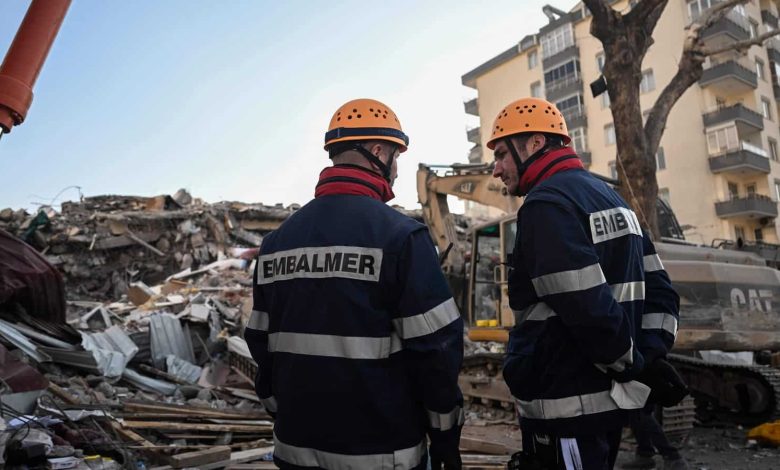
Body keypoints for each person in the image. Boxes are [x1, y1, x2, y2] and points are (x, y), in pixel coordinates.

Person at [244, 98, 464, 470]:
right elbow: (436, 352)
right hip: (381, 455)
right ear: (378, 151)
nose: (395, 171)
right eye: (396, 157)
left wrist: (285, 415)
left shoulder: (276, 243)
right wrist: (445, 437)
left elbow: (260, 345)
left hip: (295, 451)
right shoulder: (401, 238)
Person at [491, 97, 672, 469]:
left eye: (501, 154)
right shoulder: (614, 199)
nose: (496, 169)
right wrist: (648, 355)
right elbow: (661, 291)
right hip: (608, 405)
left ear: (534, 144)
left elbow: (588, 308)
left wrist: (630, 364)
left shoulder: (546, 205)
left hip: (565, 407)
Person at [623, 238, 688, 470]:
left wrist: (650, 351)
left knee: (636, 405)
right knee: (639, 405)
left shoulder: (635, 248)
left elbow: (664, 299)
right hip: (644, 342)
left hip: (643, 346)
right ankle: (645, 452)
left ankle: (671, 456)